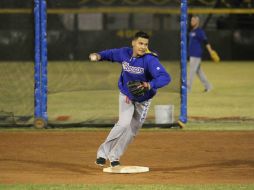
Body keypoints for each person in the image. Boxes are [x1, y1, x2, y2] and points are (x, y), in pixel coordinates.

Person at [89, 31, 171, 167]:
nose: (143, 47)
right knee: (123, 124)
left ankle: (114, 156)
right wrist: (98, 56)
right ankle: (102, 154)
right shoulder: (124, 53)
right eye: (140, 43)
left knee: (132, 131)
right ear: (133, 43)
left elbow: (165, 77)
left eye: (145, 44)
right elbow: (109, 54)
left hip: (143, 100)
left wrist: (149, 85)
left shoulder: (150, 60)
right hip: (126, 95)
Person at [188, 15, 215, 92]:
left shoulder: (200, 31)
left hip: (196, 54)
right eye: (191, 20)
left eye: (193, 20)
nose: (191, 22)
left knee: (192, 72)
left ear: (197, 22)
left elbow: (206, 42)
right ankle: (208, 86)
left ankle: (188, 88)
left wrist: (211, 51)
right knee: (199, 72)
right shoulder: (192, 31)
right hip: (192, 54)